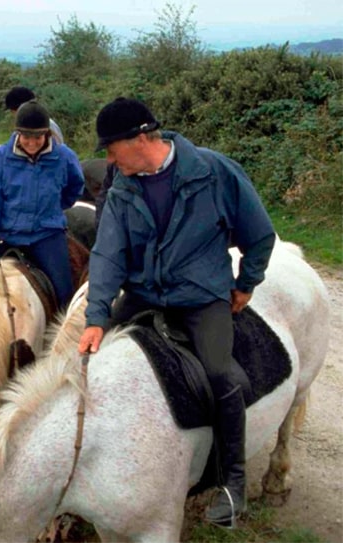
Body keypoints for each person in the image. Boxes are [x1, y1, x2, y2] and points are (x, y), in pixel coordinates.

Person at [77, 97, 276, 528]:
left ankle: (232, 482)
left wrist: (245, 284)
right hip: (144, 296)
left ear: (141, 138)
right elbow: (108, 254)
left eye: (111, 148)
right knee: (88, 362)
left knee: (221, 374)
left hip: (201, 299)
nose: (107, 158)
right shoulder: (122, 185)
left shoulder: (215, 172)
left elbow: (260, 234)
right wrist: (96, 317)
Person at [0, 101, 85, 315]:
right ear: (17, 133)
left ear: (47, 134)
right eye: (26, 137)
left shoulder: (64, 158)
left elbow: (75, 187)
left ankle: (58, 346)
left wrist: (52, 209)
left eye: (38, 137)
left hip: (47, 235)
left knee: (64, 295)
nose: (32, 143)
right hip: (6, 236)